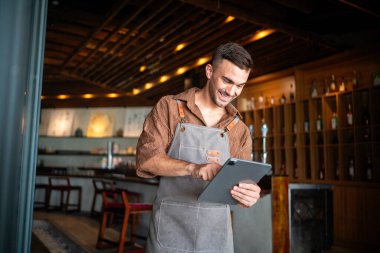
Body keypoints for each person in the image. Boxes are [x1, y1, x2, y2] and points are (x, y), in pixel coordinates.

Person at [136, 42, 261, 253]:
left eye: (240, 85)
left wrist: (248, 195)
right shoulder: (169, 107)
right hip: (170, 228)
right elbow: (147, 160)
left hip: (216, 236)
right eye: (227, 80)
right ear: (210, 71)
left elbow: (238, 188)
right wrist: (194, 168)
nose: (231, 91)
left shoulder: (240, 130)